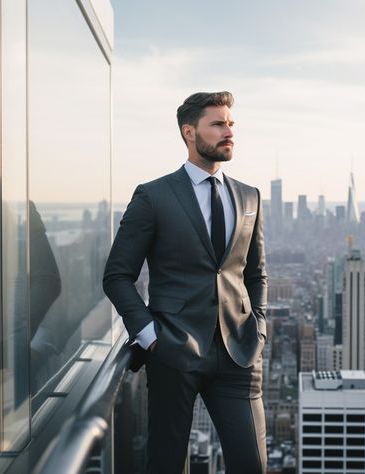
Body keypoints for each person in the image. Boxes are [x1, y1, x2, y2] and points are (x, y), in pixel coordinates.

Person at [103, 91, 268, 473]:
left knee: (252, 464)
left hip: (238, 353)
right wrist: (150, 336)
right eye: (218, 124)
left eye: (231, 124)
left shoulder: (249, 197)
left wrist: (258, 324)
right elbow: (117, 275)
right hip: (173, 352)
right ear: (189, 132)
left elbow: (255, 272)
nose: (229, 132)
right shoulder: (153, 196)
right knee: (167, 464)